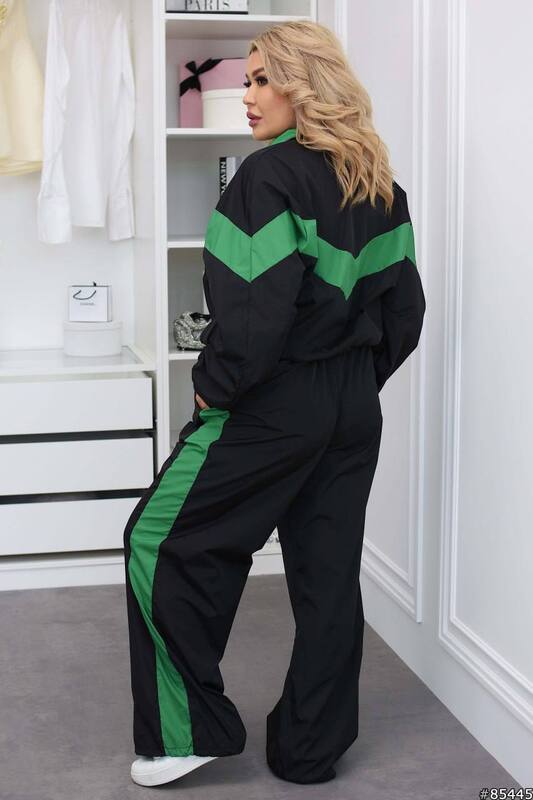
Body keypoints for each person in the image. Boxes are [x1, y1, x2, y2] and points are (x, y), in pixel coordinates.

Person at [123, 19, 426, 788]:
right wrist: (349, 384)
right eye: (246, 79)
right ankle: (308, 751)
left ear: (305, 84)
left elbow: (253, 319)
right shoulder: (380, 186)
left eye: (262, 79)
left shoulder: (266, 178)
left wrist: (213, 387)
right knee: (327, 578)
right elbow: (405, 314)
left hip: (269, 399)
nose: (246, 95)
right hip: (351, 408)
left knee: (157, 539)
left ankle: (185, 732)